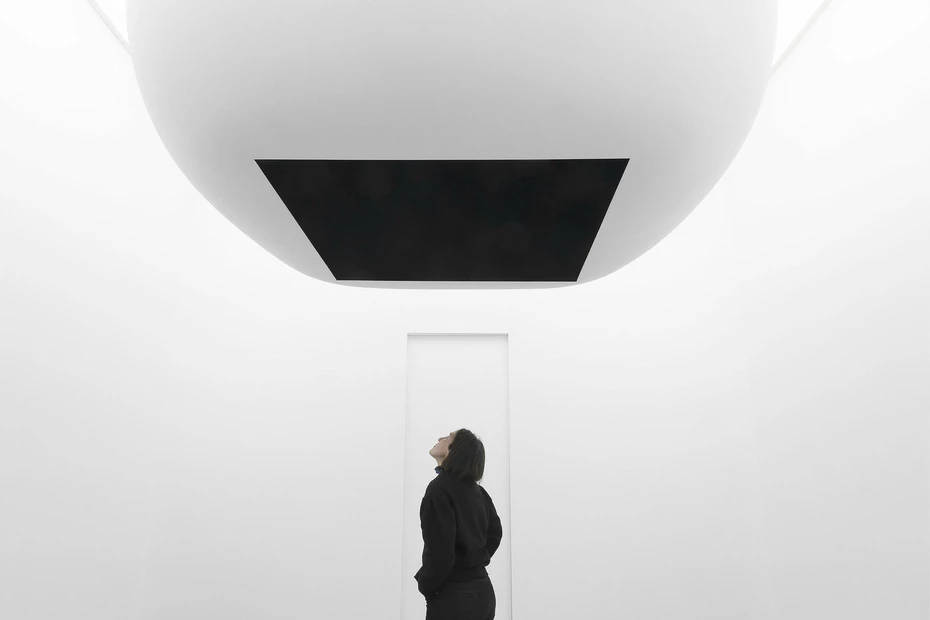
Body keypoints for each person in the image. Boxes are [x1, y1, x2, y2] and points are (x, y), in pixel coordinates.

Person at [415, 429, 502, 620]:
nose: (440, 438)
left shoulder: (439, 489)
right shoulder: (479, 492)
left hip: (454, 596)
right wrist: (473, 561)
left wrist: (426, 585)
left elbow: (440, 552)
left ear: (454, 451)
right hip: (483, 592)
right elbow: (495, 534)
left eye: (447, 437)